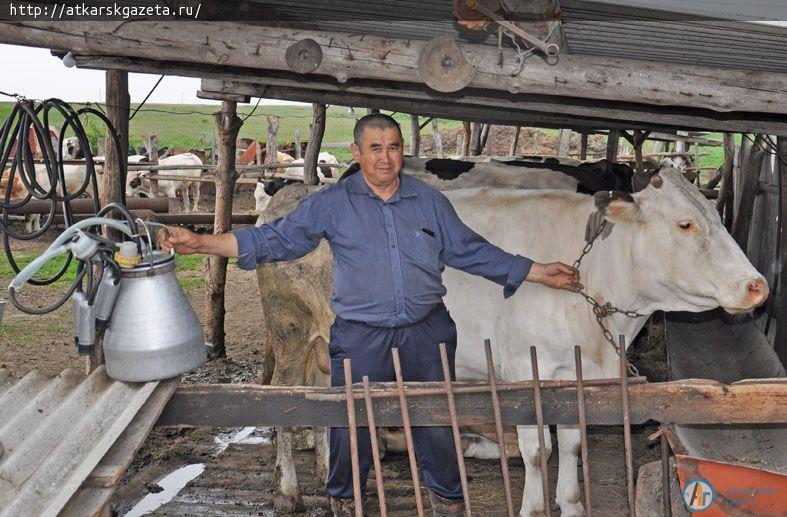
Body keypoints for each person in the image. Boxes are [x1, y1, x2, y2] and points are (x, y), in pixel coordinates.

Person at [159, 114, 580, 517]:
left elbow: (470, 250)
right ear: (356, 154)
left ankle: (447, 503)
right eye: (375, 148)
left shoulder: (428, 201)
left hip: (426, 332)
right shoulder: (332, 203)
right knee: (351, 425)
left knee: (436, 421)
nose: (385, 157)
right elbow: (275, 240)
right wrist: (201, 243)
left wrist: (538, 271)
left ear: (402, 151)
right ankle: (347, 501)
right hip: (362, 335)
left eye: (393, 147)